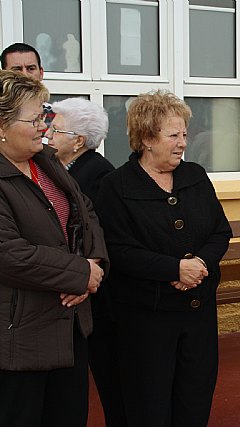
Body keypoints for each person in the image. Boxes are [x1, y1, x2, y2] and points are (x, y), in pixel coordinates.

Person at [95, 90, 232, 427]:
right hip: (145, 323)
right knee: (149, 407)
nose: (183, 142)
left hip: (197, 318)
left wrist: (198, 266)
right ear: (145, 139)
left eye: (184, 133)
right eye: (173, 135)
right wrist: (173, 269)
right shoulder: (115, 186)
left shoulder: (195, 176)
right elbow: (118, 249)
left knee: (194, 402)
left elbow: (220, 231)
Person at [0, 70, 107, 426]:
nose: (44, 127)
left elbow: (86, 212)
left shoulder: (44, 160)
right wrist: (80, 274)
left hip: (68, 327)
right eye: (34, 119)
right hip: (20, 340)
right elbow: (10, 254)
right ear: (1, 126)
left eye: (45, 116)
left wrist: (93, 265)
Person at [45, 97, 124, 426]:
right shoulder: (65, 170)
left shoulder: (96, 176)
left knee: (111, 385)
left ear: (78, 140)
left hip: (99, 299)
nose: (47, 133)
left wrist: (80, 277)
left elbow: (96, 239)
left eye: (55, 127)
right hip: (80, 291)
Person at [1, 43, 54, 126]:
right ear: (4, 74)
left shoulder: (58, 119)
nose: (25, 75)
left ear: (41, 73)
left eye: (31, 68)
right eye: (17, 69)